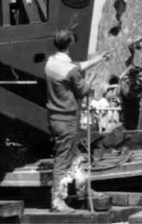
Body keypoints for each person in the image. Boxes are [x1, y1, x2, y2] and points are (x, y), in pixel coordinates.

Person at [44, 30, 108, 212]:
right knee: (62, 160)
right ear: (70, 43)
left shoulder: (51, 63)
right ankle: (56, 201)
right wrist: (93, 79)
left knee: (75, 157)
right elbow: (82, 90)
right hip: (67, 120)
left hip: (54, 118)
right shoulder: (70, 71)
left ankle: (83, 190)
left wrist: (98, 59)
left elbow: (75, 67)